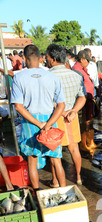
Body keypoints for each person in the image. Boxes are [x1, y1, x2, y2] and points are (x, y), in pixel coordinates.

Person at [10, 44, 66, 194]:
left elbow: (18, 107)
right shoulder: (52, 77)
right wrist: (48, 124)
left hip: (30, 122)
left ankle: (37, 193)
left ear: (25, 59)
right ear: (40, 58)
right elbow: (61, 106)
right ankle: (65, 194)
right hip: (50, 119)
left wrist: (39, 124)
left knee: (32, 161)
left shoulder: (19, 77)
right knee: (56, 160)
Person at [46, 44, 87, 187]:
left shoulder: (48, 76)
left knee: (55, 152)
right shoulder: (76, 75)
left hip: (55, 117)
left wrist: (62, 112)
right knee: (74, 148)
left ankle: (56, 181)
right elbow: (82, 97)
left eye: (47, 56)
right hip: (71, 117)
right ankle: (79, 177)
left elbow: (49, 101)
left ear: (53, 59)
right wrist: (73, 111)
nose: (46, 59)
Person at [72, 50, 99, 156]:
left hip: (88, 99)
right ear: (82, 59)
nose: (88, 62)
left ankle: (89, 142)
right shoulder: (76, 70)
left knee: (88, 121)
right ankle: (83, 146)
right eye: (87, 60)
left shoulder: (82, 69)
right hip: (83, 100)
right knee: (84, 123)